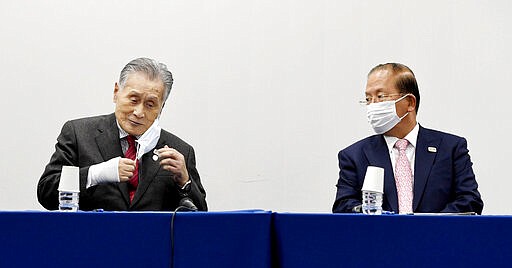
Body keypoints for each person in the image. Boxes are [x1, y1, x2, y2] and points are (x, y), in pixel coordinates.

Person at [38, 57, 207, 211]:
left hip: (152, 243)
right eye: (133, 100)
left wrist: (185, 181)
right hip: (91, 240)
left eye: (150, 104)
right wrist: (95, 174)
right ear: (116, 92)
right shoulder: (78, 133)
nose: (139, 112)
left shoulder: (180, 151)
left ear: (161, 108)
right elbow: (46, 192)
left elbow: (200, 221)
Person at [332, 63, 483, 214]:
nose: (372, 105)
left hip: (437, 236)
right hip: (380, 236)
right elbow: (343, 206)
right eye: (368, 98)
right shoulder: (354, 155)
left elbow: (469, 201)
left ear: (410, 102)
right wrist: (372, 214)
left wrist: (426, 226)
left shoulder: (451, 148)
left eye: (380, 96)